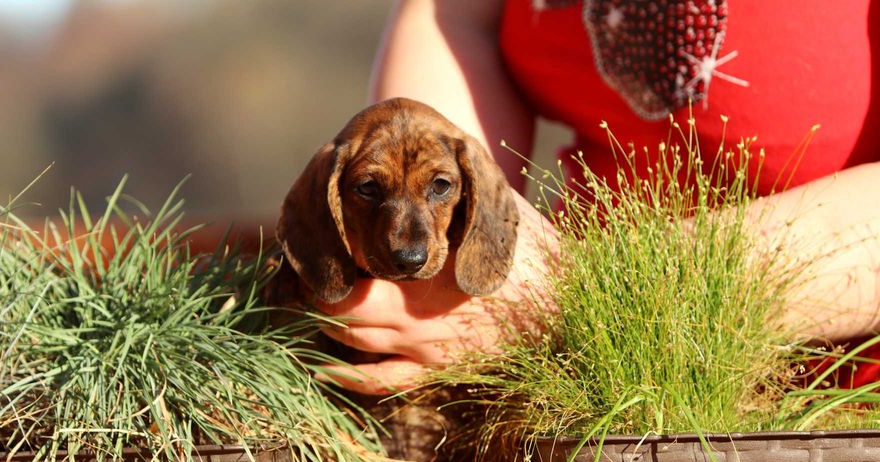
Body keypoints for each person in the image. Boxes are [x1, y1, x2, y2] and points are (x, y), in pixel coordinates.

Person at [315, 0, 880, 395]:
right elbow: (457, 16)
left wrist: (571, 296)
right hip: (571, 401)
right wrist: (450, 266)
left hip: (843, 422)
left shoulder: (568, 296)